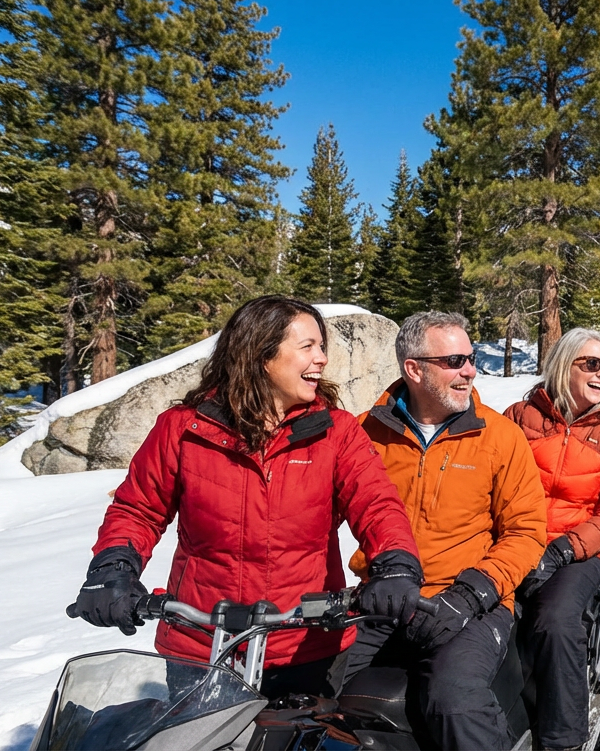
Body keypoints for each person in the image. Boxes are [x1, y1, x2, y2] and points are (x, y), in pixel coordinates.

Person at [73, 295, 422, 699]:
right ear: (260, 354)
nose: (322, 358)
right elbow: (138, 510)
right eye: (307, 346)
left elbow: (377, 505)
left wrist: (395, 564)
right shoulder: (183, 430)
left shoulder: (336, 432)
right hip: (200, 641)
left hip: (303, 641)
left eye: (321, 346)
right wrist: (112, 569)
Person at [344, 311, 546, 750]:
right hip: (384, 596)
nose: (470, 370)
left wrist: (473, 592)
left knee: (453, 700)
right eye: (455, 360)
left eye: (470, 358)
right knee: (310, 690)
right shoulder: (365, 432)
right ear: (414, 369)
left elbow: (527, 531)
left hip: (471, 602)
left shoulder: (500, 436)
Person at [504, 328, 600, 751]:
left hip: (575, 550)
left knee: (556, 622)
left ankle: (563, 740)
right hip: (512, 541)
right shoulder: (518, 416)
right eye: (592, 363)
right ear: (565, 364)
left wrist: (565, 548)